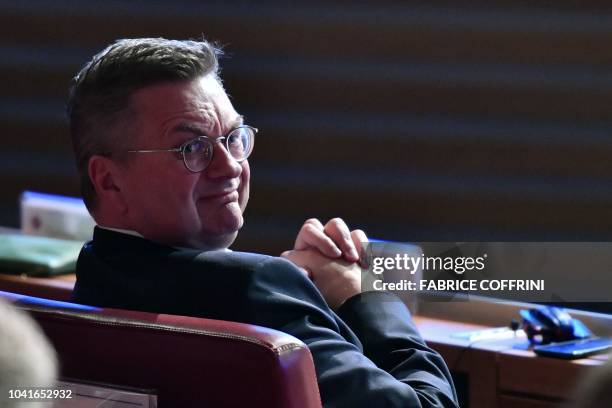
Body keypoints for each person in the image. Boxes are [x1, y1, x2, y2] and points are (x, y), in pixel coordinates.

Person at [67, 37, 458, 407]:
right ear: (110, 180)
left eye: (233, 137)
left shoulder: (94, 274)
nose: (230, 166)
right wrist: (363, 294)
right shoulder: (254, 287)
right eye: (193, 148)